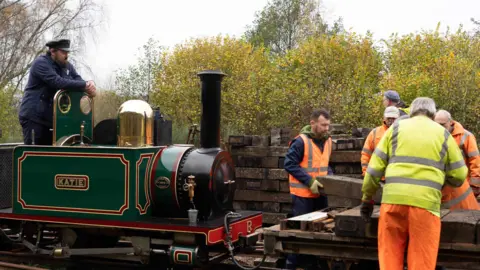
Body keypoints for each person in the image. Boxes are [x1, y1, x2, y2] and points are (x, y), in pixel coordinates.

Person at [361, 97, 468, 270]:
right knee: (421, 261)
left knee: (389, 258)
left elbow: (373, 170)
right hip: (425, 206)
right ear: (433, 115)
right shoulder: (443, 134)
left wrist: (367, 198)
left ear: (411, 112)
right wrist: (440, 183)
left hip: (392, 203)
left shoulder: (395, 128)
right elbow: (460, 175)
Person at [18, 39, 96, 145]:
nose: (66, 55)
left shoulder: (67, 66)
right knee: (35, 154)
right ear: (53, 51)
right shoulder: (41, 63)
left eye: (67, 52)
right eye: (63, 52)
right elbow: (57, 82)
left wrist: (89, 86)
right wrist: (84, 85)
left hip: (52, 120)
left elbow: (78, 79)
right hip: (34, 118)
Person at [284, 108, 333, 270]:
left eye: (328, 125)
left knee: (319, 234)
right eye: (323, 125)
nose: (326, 128)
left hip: (320, 196)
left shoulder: (328, 141)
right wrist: (309, 181)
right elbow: (289, 164)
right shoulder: (300, 142)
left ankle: (312, 264)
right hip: (303, 196)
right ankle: (290, 265)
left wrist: (331, 179)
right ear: (312, 123)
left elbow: (325, 165)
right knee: (300, 235)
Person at [434, 109, 480, 207]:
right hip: (442, 187)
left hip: (462, 185)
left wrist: (475, 185)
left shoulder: (466, 136)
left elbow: (475, 161)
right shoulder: (434, 136)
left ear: (450, 122)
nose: (440, 127)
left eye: (442, 125)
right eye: (437, 124)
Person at [361, 106, 400, 176]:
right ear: (384, 118)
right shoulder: (374, 133)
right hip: (377, 178)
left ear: (398, 118)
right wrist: (366, 172)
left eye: (393, 118)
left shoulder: (402, 133)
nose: (391, 120)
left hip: (396, 177)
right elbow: (366, 154)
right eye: (389, 118)